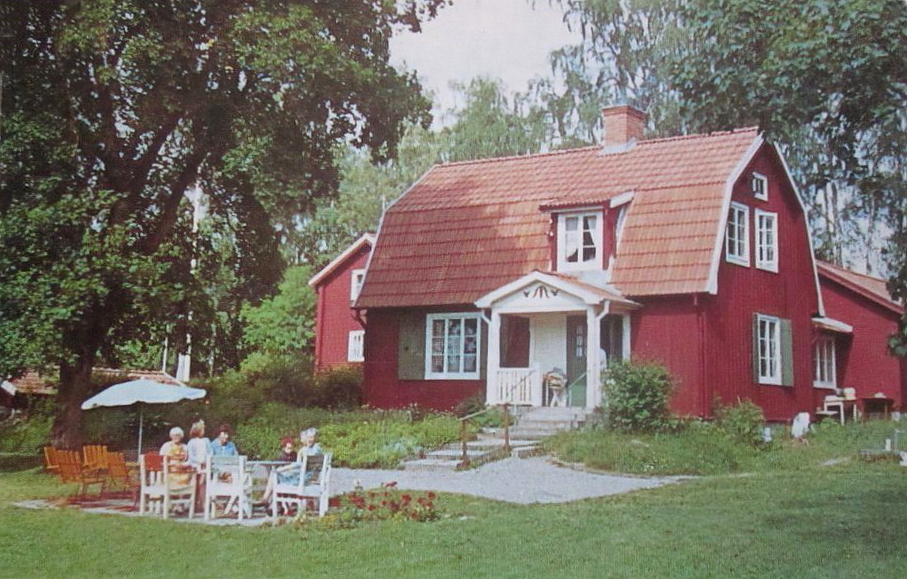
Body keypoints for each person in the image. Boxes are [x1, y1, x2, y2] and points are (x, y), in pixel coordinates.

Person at [260, 428, 323, 506]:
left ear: (316, 438)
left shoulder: (313, 450)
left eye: (312, 437)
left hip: (306, 479)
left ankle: (270, 501)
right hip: (308, 478)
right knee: (278, 473)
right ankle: (275, 504)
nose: (310, 440)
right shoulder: (312, 449)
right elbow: (303, 466)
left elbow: (301, 465)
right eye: (309, 437)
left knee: (275, 474)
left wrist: (284, 469)